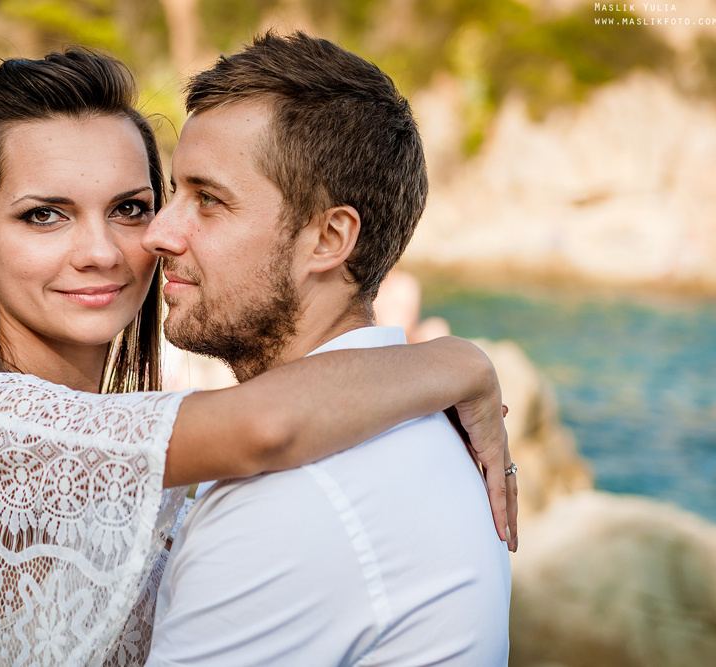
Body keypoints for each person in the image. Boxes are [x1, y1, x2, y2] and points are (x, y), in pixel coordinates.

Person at [0, 48, 514, 667]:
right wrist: (455, 364)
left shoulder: (150, 434)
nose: (106, 250)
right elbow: (264, 426)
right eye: (45, 215)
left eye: (130, 208)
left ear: (330, 239)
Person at [143, 32, 513, 666]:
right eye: (173, 192)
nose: (159, 231)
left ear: (328, 239)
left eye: (208, 199)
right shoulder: (426, 425)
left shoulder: (283, 505)